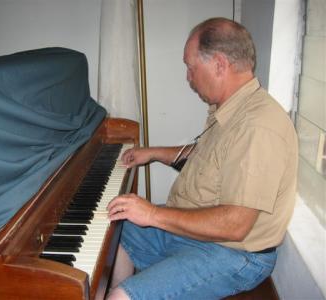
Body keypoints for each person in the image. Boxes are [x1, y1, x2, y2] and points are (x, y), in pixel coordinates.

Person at [106, 17, 298, 300]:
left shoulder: (258, 126)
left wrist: (152, 214)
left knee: (123, 297)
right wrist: (153, 153)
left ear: (219, 64)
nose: (188, 77)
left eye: (190, 67)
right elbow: (208, 157)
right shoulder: (232, 109)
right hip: (201, 235)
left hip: (236, 255)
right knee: (117, 226)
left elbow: (235, 225)